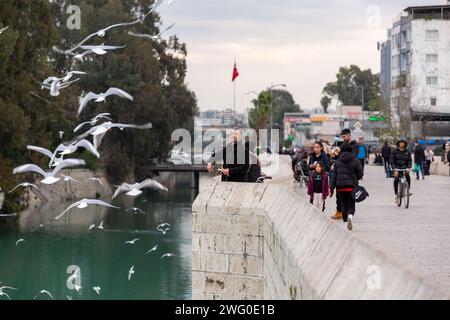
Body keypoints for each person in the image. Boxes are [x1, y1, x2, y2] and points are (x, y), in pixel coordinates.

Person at [330, 143, 363, 231]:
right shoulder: (355, 160)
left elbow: (334, 176)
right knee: (351, 204)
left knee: (344, 204)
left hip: (340, 187)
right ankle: (350, 217)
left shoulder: (337, 161)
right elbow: (360, 173)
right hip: (352, 186)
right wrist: (356, 178)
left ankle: (345, 220)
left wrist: (331, 188)